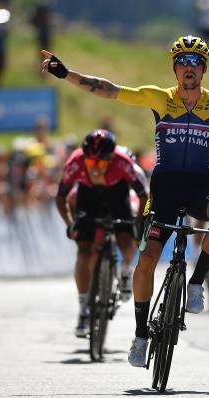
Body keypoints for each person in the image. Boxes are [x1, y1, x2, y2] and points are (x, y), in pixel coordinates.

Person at [40, 35, 209, 366]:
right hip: (165, 189)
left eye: (196, 62)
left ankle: (196, 283)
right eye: (183, 61)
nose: (189, 67)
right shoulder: (159, 98)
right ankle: (140, 336)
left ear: (204, 69)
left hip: (199, 187)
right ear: (174, 68)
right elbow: (109, 89)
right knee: (148, 257)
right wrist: (67, 74)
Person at [55, 129, 148, 338]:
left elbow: (144, 195)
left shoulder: (123, 163)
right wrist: (70, 224)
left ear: (111, 159)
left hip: (118, 192)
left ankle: (125, 271)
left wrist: (138, 223)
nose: (95, 168)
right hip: (88, 195)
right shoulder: (76, 162)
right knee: (84, 249)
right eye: (90, 163)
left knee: (126, 236)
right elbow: (60, 197)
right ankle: (83, 309)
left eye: (101, 163)